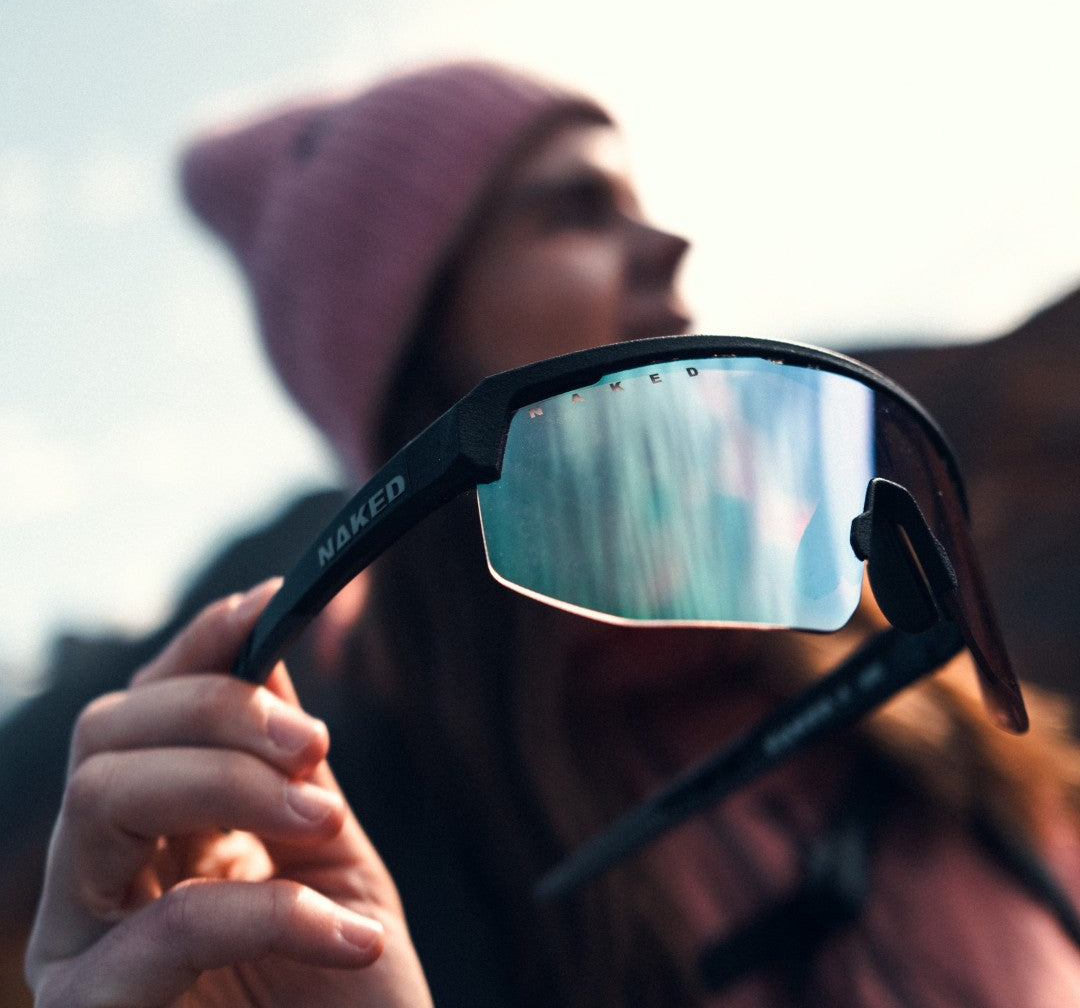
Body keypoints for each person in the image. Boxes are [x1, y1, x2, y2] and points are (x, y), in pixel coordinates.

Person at [22, 60, 1080, 1007]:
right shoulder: (342, 862)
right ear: (422, 359)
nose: (669, 244)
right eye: (575, 211)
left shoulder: (913, 705)